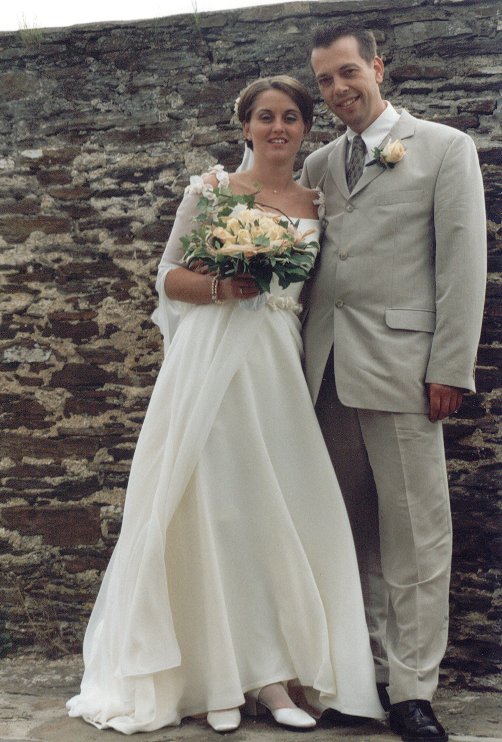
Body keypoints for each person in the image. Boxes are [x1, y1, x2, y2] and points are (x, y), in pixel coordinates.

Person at [66, 75, 385, 735]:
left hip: (276, 368)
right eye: (265, 116)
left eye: (290, 116)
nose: (277, 127)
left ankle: (273, 677)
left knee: (275, 512)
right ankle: (216, 678)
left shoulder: (317, 203)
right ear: (246, 127)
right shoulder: (211, 191)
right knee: (213, 509)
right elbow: (168, 279)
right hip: (209, 363)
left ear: (305, 128)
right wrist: (224, 287)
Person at [300, 23, 487, 742]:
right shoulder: (319, 163)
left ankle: (412, 691)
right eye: (325, 80)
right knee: (349, 535)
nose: (338, 89)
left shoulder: (443, 148)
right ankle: (366, 678)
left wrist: (450, 368)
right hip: (324, 373)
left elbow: (462, 263)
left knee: (416, 536)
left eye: (348, 72)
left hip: (407, 372)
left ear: (378, 67)